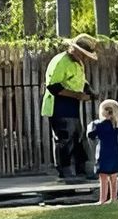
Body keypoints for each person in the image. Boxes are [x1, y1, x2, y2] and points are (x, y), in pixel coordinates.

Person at [40, 33, 98, 182]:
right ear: (74, 49)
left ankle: (81, 171)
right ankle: (65, 172)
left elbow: (81, 81)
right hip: (58, 104)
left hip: (72, 105)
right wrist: (78, 96)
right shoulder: (61, 61)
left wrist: (89, 91)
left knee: (78, 137)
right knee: (64, 138)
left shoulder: (78, 63)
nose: (84, 57)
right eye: (82, 54)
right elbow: (53, 87)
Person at [88, 99, 118, 205]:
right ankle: (114, 198)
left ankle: (102, 199)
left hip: (103, 153)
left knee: (103, 177)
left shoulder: (98, 125)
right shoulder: (116, 124)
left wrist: (92, 124)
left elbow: (90, 135)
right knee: (113, 177)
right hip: (114, 153)